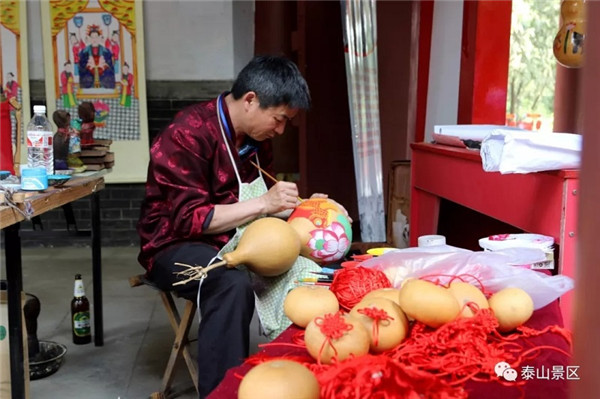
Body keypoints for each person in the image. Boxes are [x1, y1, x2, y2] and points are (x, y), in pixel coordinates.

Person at [137, 55, 345, 398]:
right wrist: (265, 204)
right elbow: (190, 219)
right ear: (250, 100)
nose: (280, 130)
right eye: (279, 119)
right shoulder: (186, 134)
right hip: (172, 244)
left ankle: (299, 381)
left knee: (311, 271)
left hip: (236, 236)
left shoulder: (256, 139)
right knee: (229, 283)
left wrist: (312, 209)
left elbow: (260, 205)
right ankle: (224, 392)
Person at [78, 24, 115, 89]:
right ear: (89, 38)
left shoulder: (106, 51)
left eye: (96, 37)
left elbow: (111, 66)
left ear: (99, 37)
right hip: (89, 75)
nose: (94, 39)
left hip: (103, 75)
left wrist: (104, 65)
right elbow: (81, 67)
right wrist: (87, 65)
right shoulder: (84, 52)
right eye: (92, 37)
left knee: (108, 75)